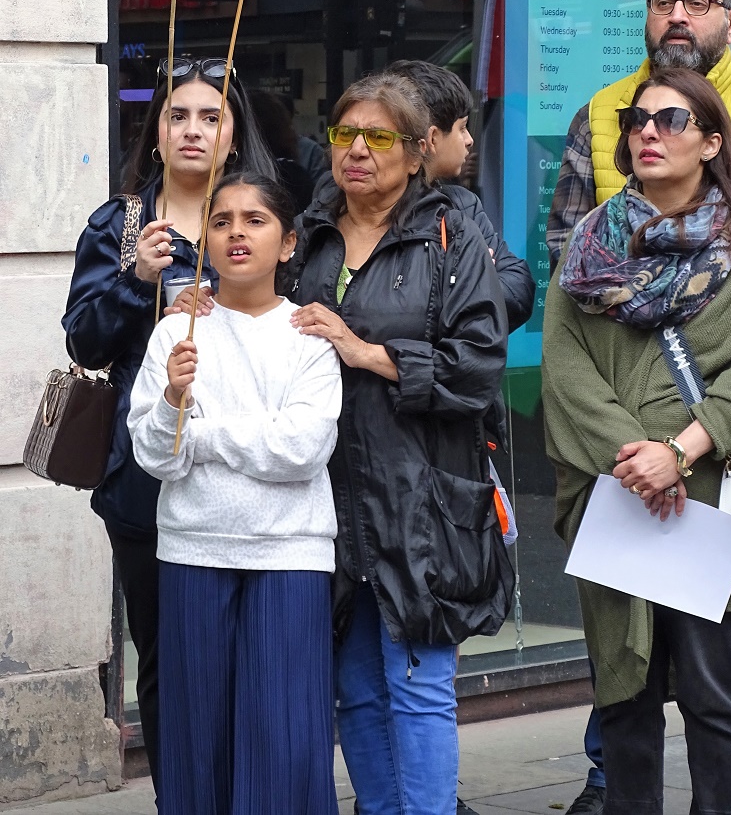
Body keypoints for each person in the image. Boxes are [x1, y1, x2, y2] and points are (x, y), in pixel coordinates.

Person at [546, 0, 731, 815]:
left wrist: (679, 453)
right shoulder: (587, 258)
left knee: (716, 701)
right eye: (639, 123)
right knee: (623, 706)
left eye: (670, 123)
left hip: (704, 501)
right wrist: (636, 458)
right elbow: (570, 375)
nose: (647, 133)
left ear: (711, 141)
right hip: (621, 499)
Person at [287, 70, 513, 815]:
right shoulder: (309, 237)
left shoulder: (451, 237)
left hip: (421, 497)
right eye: (344, 134)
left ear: (417, 153)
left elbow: (477, 371)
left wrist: (370, 352)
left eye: (377, 137)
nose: (356, 150)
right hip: (327, 498)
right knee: (355, 694)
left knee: (416, 689)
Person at [62, 58, 275, 794]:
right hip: (144, 473)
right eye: (177, 116)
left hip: (247, 468)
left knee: (251, 649)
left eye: (210, 116)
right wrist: (135, 281)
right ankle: (180, 795)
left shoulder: (261, 219)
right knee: (167, 654)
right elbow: (83, 342)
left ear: (234, 133)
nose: (192, 130)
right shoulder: (120, 224)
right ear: (154, 135)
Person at [128, 174, 341, 815]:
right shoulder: (176, 334)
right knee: (199, 736)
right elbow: (156, 454)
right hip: (192, 547)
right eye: (220, 222)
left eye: (254, 221)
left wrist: (205, 432)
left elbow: (301, 450)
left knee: (283, 735)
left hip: (290, 553)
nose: (235, 234)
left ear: (288, 244)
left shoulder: (310, 335)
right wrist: (172, 402)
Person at [385, 59, 535, 334]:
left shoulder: (462, 204)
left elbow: (517, 288)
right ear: (432, 139)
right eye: (462, 127)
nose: (469, 140)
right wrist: (468, 279)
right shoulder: (365, 208)